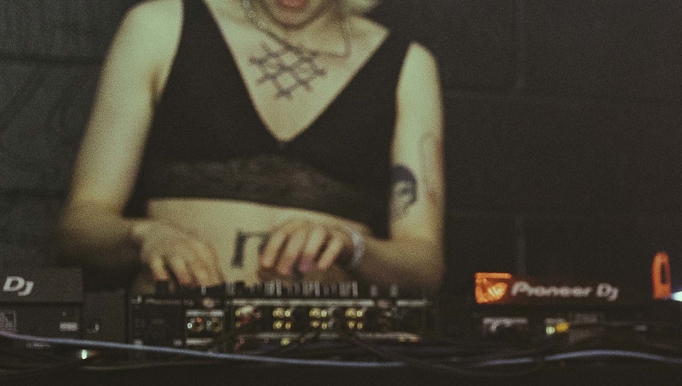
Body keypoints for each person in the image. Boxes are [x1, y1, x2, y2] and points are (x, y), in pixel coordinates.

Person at [56, 0, 445, 292]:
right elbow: (79, 228)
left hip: (325, 361)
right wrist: (146, 237)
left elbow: (424, 264)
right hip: (172, 356)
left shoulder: (409, 66)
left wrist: (353, 247)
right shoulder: (158, 27)